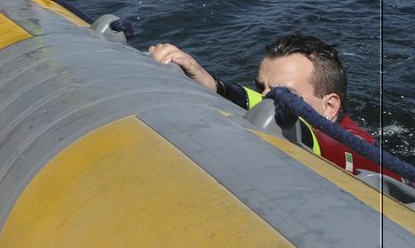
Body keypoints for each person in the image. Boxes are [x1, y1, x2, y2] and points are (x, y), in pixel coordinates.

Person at [149, 33, 392, 177]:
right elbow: (260, 102)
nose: (267, 99)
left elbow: (328, 144)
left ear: (329, 106)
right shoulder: (271, 103)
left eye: (285, 93)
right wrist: (212, 84)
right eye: (261, 87)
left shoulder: (357, 148)